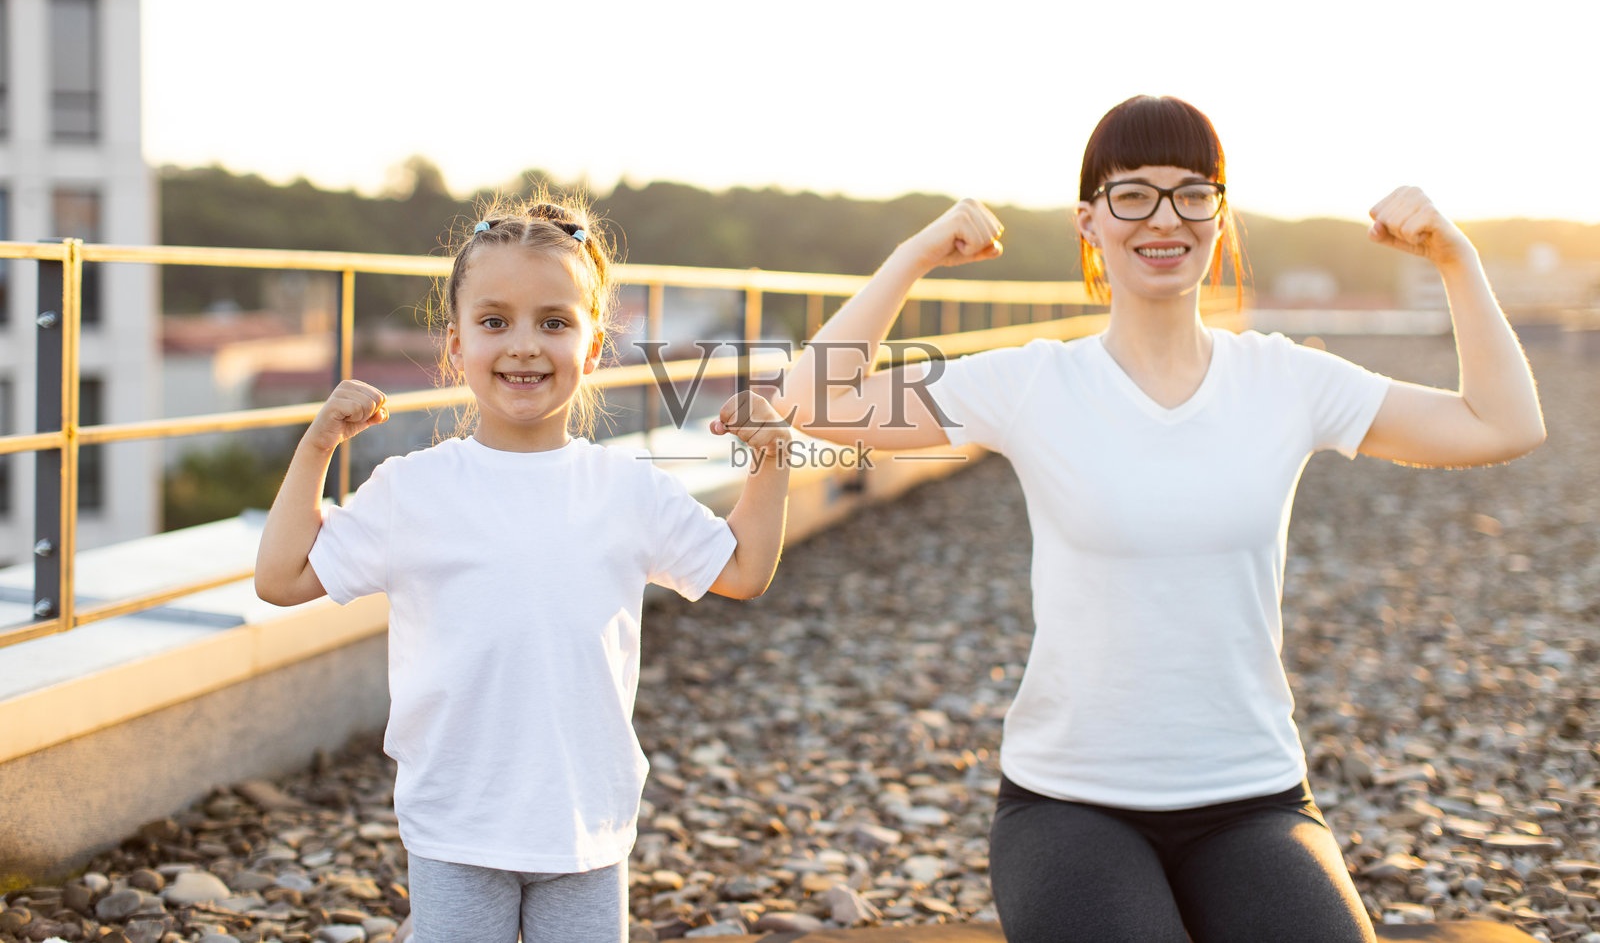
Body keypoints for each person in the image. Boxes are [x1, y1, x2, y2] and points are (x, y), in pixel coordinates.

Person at [773, 95, 1545, 943]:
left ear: (1220, 214)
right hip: (1068, 803)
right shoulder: (1034, 382)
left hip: (1255, 798)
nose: (1164, 218)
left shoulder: (1285, 379)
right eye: (1132, 193)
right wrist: (914, 255)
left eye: (1191, 192)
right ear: (1090, 221)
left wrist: (1456, 257)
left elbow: (1502, 424)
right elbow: (812, 401)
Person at [254, 194, 792, 943]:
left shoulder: (628, 489)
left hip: (585, 823)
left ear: (594, 346)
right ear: (455, 345)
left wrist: (772, 459)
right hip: (457, 822)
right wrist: (316, 447)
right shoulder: (412, 488)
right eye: (495, 321)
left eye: (555, 322)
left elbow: (743, 569)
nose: (525, 345)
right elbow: (281, 579)